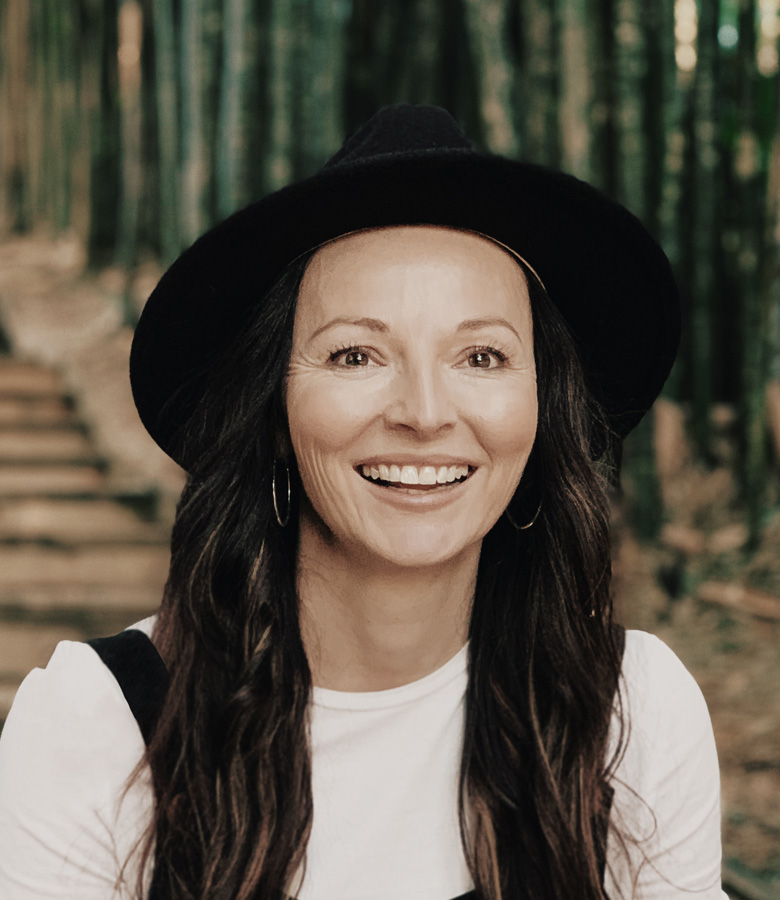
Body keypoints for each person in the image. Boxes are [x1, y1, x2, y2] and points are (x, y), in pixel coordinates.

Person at [0, 105, 725, 900]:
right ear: (273, 414)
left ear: (541, 410)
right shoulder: (97, 727)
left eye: (482, 355)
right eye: (356, 354)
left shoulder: (631, 716)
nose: (424, 411)